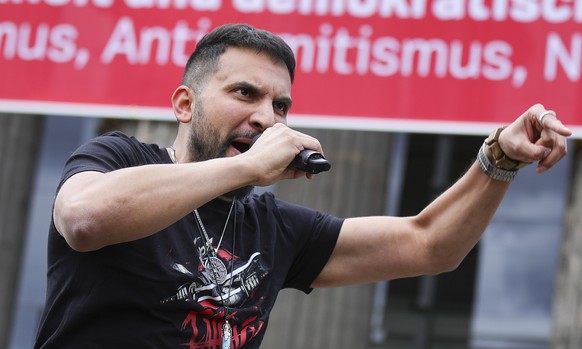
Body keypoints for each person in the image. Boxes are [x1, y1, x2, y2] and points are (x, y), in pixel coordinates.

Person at [34, 23, 572, 349]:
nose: (268, 118)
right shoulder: (119, 157)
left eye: (281, 106)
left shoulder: (270, 228)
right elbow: (85, 220)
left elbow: (429, 244)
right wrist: (249, 167)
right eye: (245, 93)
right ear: (185, 104)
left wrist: (497, 158)